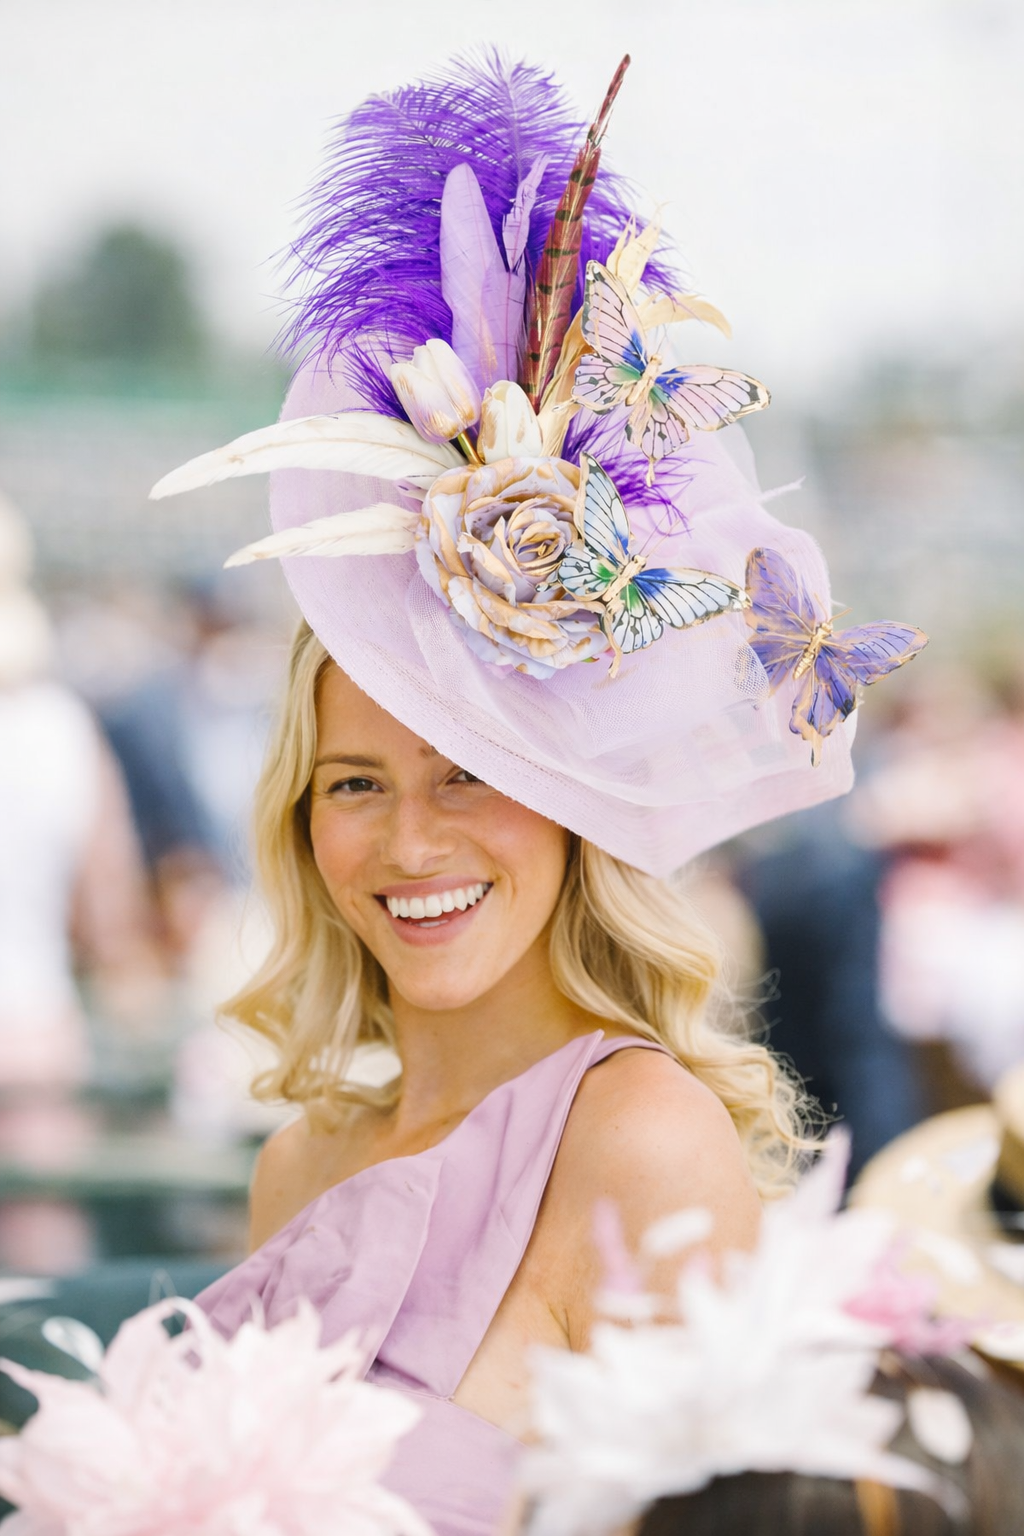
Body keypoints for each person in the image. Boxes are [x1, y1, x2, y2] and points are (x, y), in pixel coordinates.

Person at [150, 53, 926, 1536]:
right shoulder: (295, 1168)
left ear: (568, 802)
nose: (408, 837)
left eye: (470, 774)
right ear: (300, 825)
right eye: (354, 783)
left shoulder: (643, 1142)